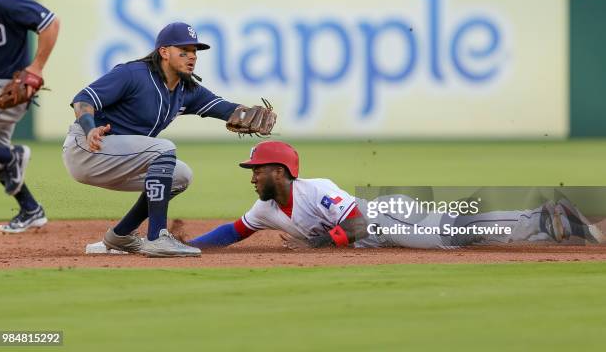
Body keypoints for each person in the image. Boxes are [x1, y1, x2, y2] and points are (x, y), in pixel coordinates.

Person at [63, 21, 275, 257]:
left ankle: (119, 237)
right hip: (87, 148)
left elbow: (223, 107)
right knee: (164, 148)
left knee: (179, 175)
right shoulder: (133, 74)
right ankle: (156, 238)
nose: (191, 57)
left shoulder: (186, 90)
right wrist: (90, 127)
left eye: (194, 51)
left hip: (118, 157)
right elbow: (83, 98)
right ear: (164, 52)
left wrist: (246, 113)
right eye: (183, 51)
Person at [187, 141, 604, 250]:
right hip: (377, 230)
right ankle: (551, 224)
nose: (253, 175)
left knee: (453, 234)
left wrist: (321, 244)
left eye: (257, 168)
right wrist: (192, 246)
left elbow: (359, 224)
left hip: (387, 217)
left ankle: (542, 218)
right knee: (460, 234)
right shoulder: (266, 209)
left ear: (280, 171)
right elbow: (231, 231)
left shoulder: (317, 189)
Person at [0, 0, 60, 233]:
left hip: (8, 89)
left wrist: (36, 67)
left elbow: (50, 22)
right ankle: (31, 209)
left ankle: (13, 157)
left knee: (2, 157)